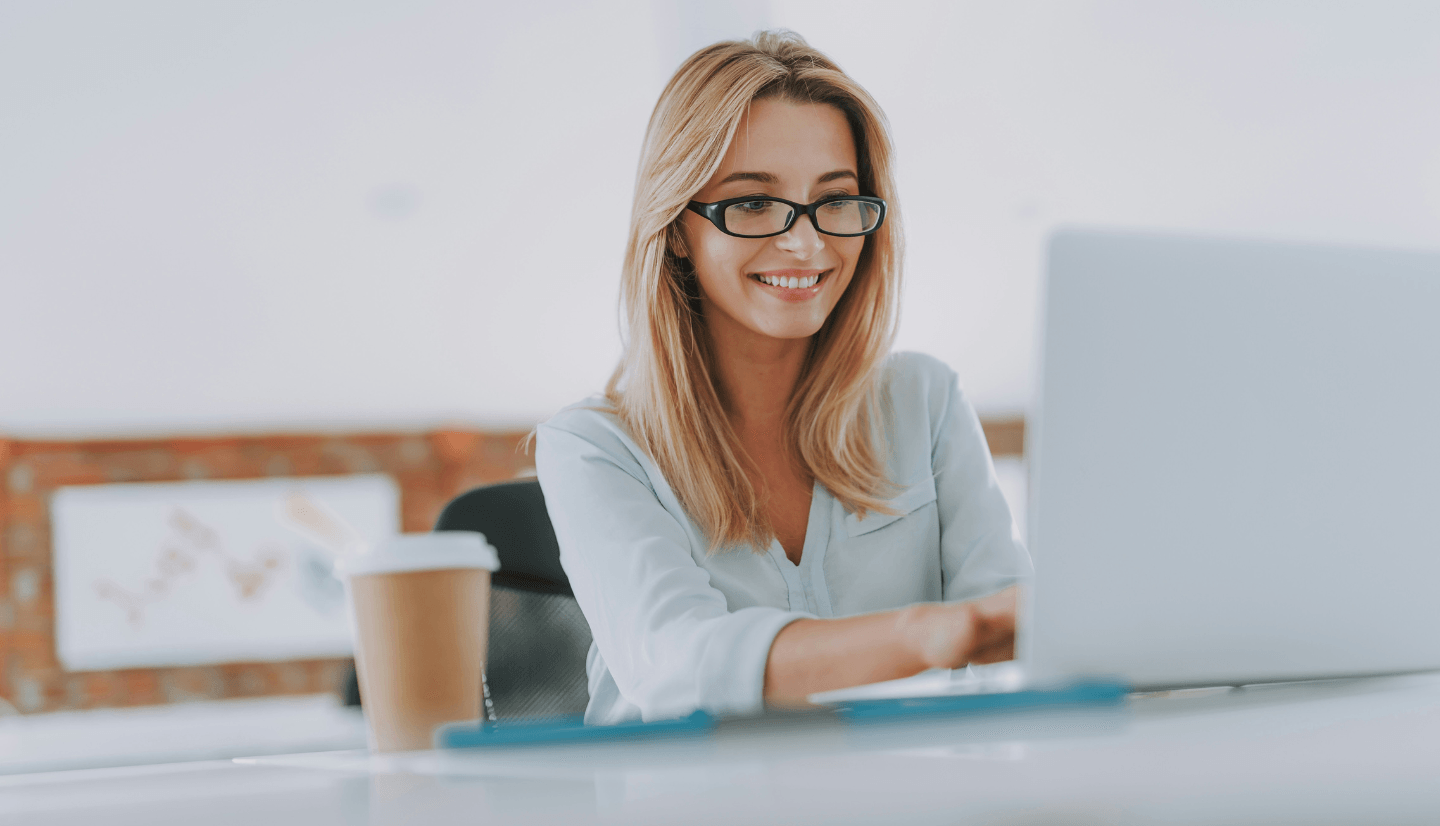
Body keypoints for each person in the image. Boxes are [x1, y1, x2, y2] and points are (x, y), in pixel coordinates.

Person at [534, 31, 1032, 725]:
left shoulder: (926, 402)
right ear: (677, 226)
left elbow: (1015, 636)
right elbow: (679, 666)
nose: (806, 243)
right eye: (752, 203)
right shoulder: (592, 447)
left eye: (836, 200)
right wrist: (924, 635)